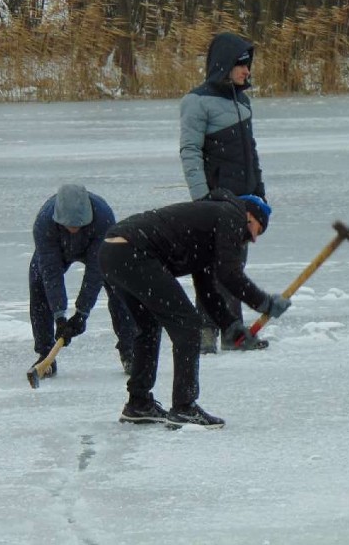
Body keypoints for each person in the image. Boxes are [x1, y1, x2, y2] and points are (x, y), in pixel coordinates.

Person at [98, 190, 291, 427]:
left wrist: (231, 327)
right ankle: (184, 406)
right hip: (134, 251)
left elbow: (208, 291)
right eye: (256, 230)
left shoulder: (208, 226)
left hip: (113, 252)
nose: (253, 239)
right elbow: (229, 274)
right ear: (249, 216)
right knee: (187, 325)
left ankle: (139, 403)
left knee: (148, 326)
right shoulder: (232, 214)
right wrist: (264, 302)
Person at [179, 31, 267, 353]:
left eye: (248, 65)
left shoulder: (242, 101)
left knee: (233, 270)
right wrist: (203, 201)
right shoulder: (196, 102)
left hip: (243, 202)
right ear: (225, 65)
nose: (247, 71)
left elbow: (251, 154)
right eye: (242, 65)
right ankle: (205, 333)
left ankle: (233, 333)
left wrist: (260, 198)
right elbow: (189, 152)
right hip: (216, 202)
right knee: (214, 269)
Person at [29, 184, 136, 376]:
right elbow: (51, 273)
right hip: (58, 249)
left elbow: (96, 271)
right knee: (39, 281)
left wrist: (82, 313)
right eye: (69, 225)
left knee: (119, 285)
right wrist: (60, 317)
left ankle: (129, 350)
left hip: (95, 246)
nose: (74, 230)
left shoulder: (103, 217)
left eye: (79, 225)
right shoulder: (44, 223)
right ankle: (45, 355)